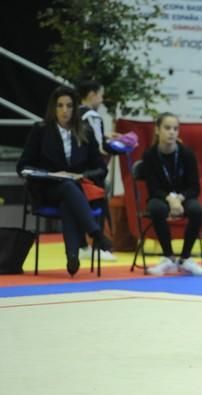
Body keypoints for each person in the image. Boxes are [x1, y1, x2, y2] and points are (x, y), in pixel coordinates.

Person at [16, 85, 112, 276]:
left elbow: (101, 168)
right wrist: (51, 174)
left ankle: (72, 257)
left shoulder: (85, 131)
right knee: (67, 188)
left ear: (75, 108)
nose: (64, 111)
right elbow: (23, 167)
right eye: (60, 106)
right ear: (53, 108)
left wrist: (82, 176)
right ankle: (95, 233)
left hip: (76, 191)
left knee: (69, 196)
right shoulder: (41, 130)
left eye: (69, 106)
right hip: (47, 189)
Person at [140, 112, 202, 276]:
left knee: (197, 210)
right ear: (157, 130)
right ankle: (168, 258)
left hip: (183, 197)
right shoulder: (149, 155)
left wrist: (179, 198)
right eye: (167, 128)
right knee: (156, 209)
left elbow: (194, 188)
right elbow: (153, 188)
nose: (172, 132)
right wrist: (170, 199)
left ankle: (185, 259)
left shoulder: (187, 154)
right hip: (161, 197)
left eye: (175, 129)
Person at [76, 79, 119, 261]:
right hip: (93, 170)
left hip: (77, 169)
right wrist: (116, 145)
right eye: (100, 95)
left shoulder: (74, 114)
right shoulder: (92, 116)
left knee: (78, 205)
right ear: (92, 95)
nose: (101, 100)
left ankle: (81, 245)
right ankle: (99, 247)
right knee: (99, 204)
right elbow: (99, 147)